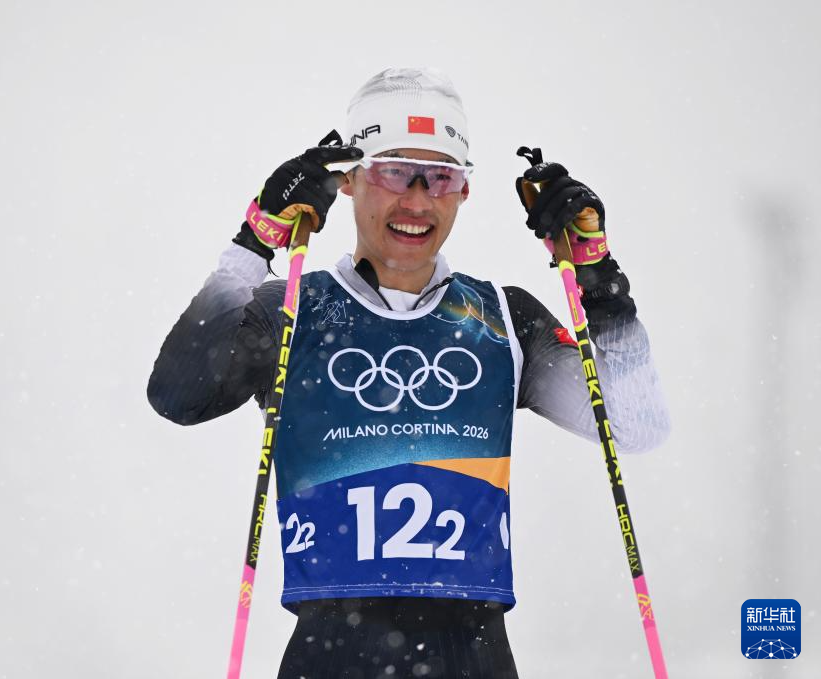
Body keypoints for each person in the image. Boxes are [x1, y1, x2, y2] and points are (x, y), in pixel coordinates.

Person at [148, 67, 670, 679]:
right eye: (395, 172)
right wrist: (255, 240)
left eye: (442, 176)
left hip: (474, 657)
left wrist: (598, 276)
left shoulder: (504, 319)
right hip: (330, 656)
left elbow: (636, 424)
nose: (418, 201)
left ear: (464, 191)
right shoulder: (289, 309)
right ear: (349, 179)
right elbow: (178, 396)